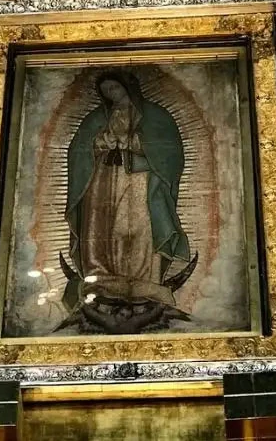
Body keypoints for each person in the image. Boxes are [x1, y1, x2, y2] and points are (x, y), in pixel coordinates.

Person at [63, 71, 191, 313]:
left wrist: (135, 143)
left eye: (115, 88)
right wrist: (99, 143)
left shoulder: (155, 116)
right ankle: (101, 276)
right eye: (106, 91)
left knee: (140, 226)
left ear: (127, 87)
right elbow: (78, 150)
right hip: (102, 180)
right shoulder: (95, 118)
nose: (111, 94)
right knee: (102, 226)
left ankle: (144, 278)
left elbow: (169, 151)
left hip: (139, 180)